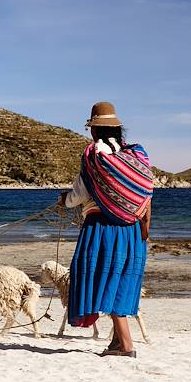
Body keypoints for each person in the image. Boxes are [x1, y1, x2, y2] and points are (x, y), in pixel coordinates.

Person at [57, 101, 152, 358]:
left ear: (93, 130)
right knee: (120, 281)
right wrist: (144, 227)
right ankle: (118, 343)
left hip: (103, 229)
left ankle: (127, 346)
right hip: (132, 231)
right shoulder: (135, 156)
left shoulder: (94, 157)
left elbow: (79, 195)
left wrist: (64, 200)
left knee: (105, 281)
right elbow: (144, 196)